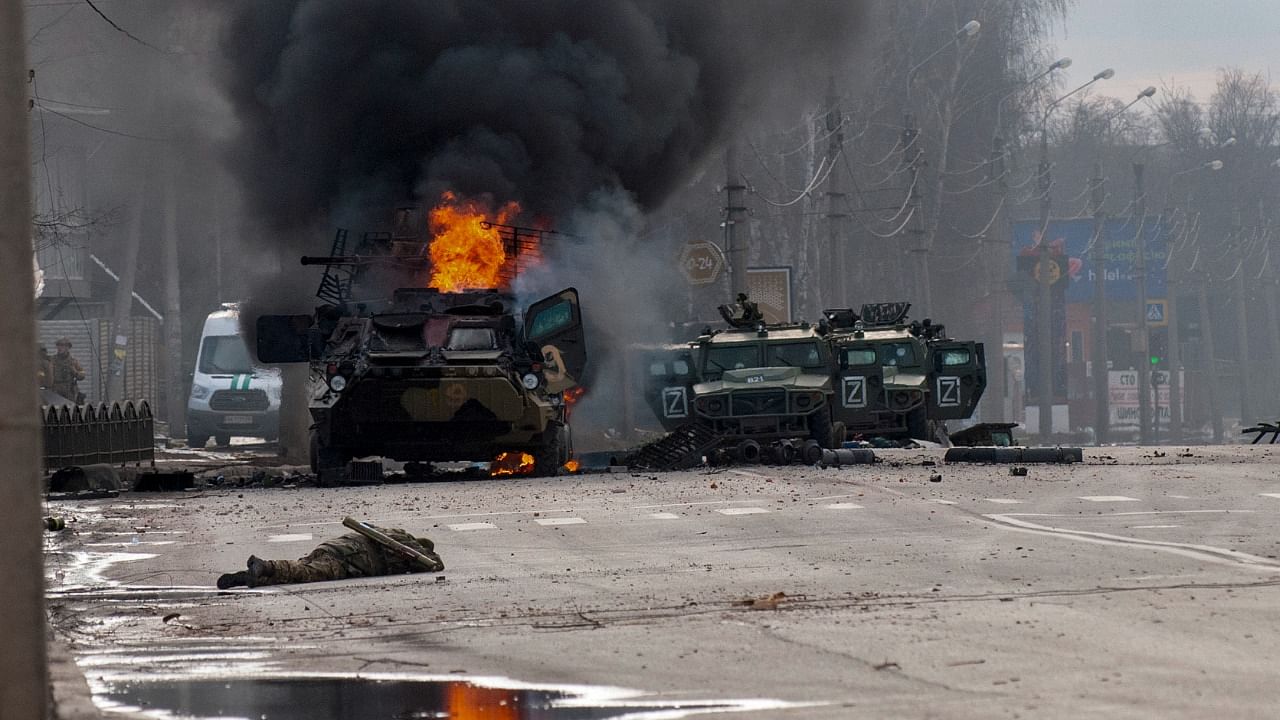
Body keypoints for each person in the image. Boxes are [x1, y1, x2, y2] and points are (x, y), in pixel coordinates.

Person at [216, 525, 443, 589]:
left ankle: (252, 578)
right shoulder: (410, 547)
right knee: (307, 573)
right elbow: (435, 565)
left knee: (302, 569)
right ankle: (266, 567)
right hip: (351, 559)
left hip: (335, 547)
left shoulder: (393, 533)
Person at [50, 337, 85, 403]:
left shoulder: (73, 361)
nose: (60, 348)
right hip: (56, 389)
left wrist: (74, 371)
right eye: (58, 345)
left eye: (62, 345)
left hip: (69, 390)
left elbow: (82, 375)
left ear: (68, 347)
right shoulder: (52, 360)